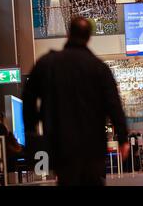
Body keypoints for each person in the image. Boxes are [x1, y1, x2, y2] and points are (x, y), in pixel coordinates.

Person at [22, 16, 129, 186]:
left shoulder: (47, 63)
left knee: (67, 181)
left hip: (60, 142)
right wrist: (123, 138)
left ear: (68, 34)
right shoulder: (99, 68)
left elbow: (28, 98)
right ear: (89, 38)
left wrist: (31, 129)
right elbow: (114, 104)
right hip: (93, 144)